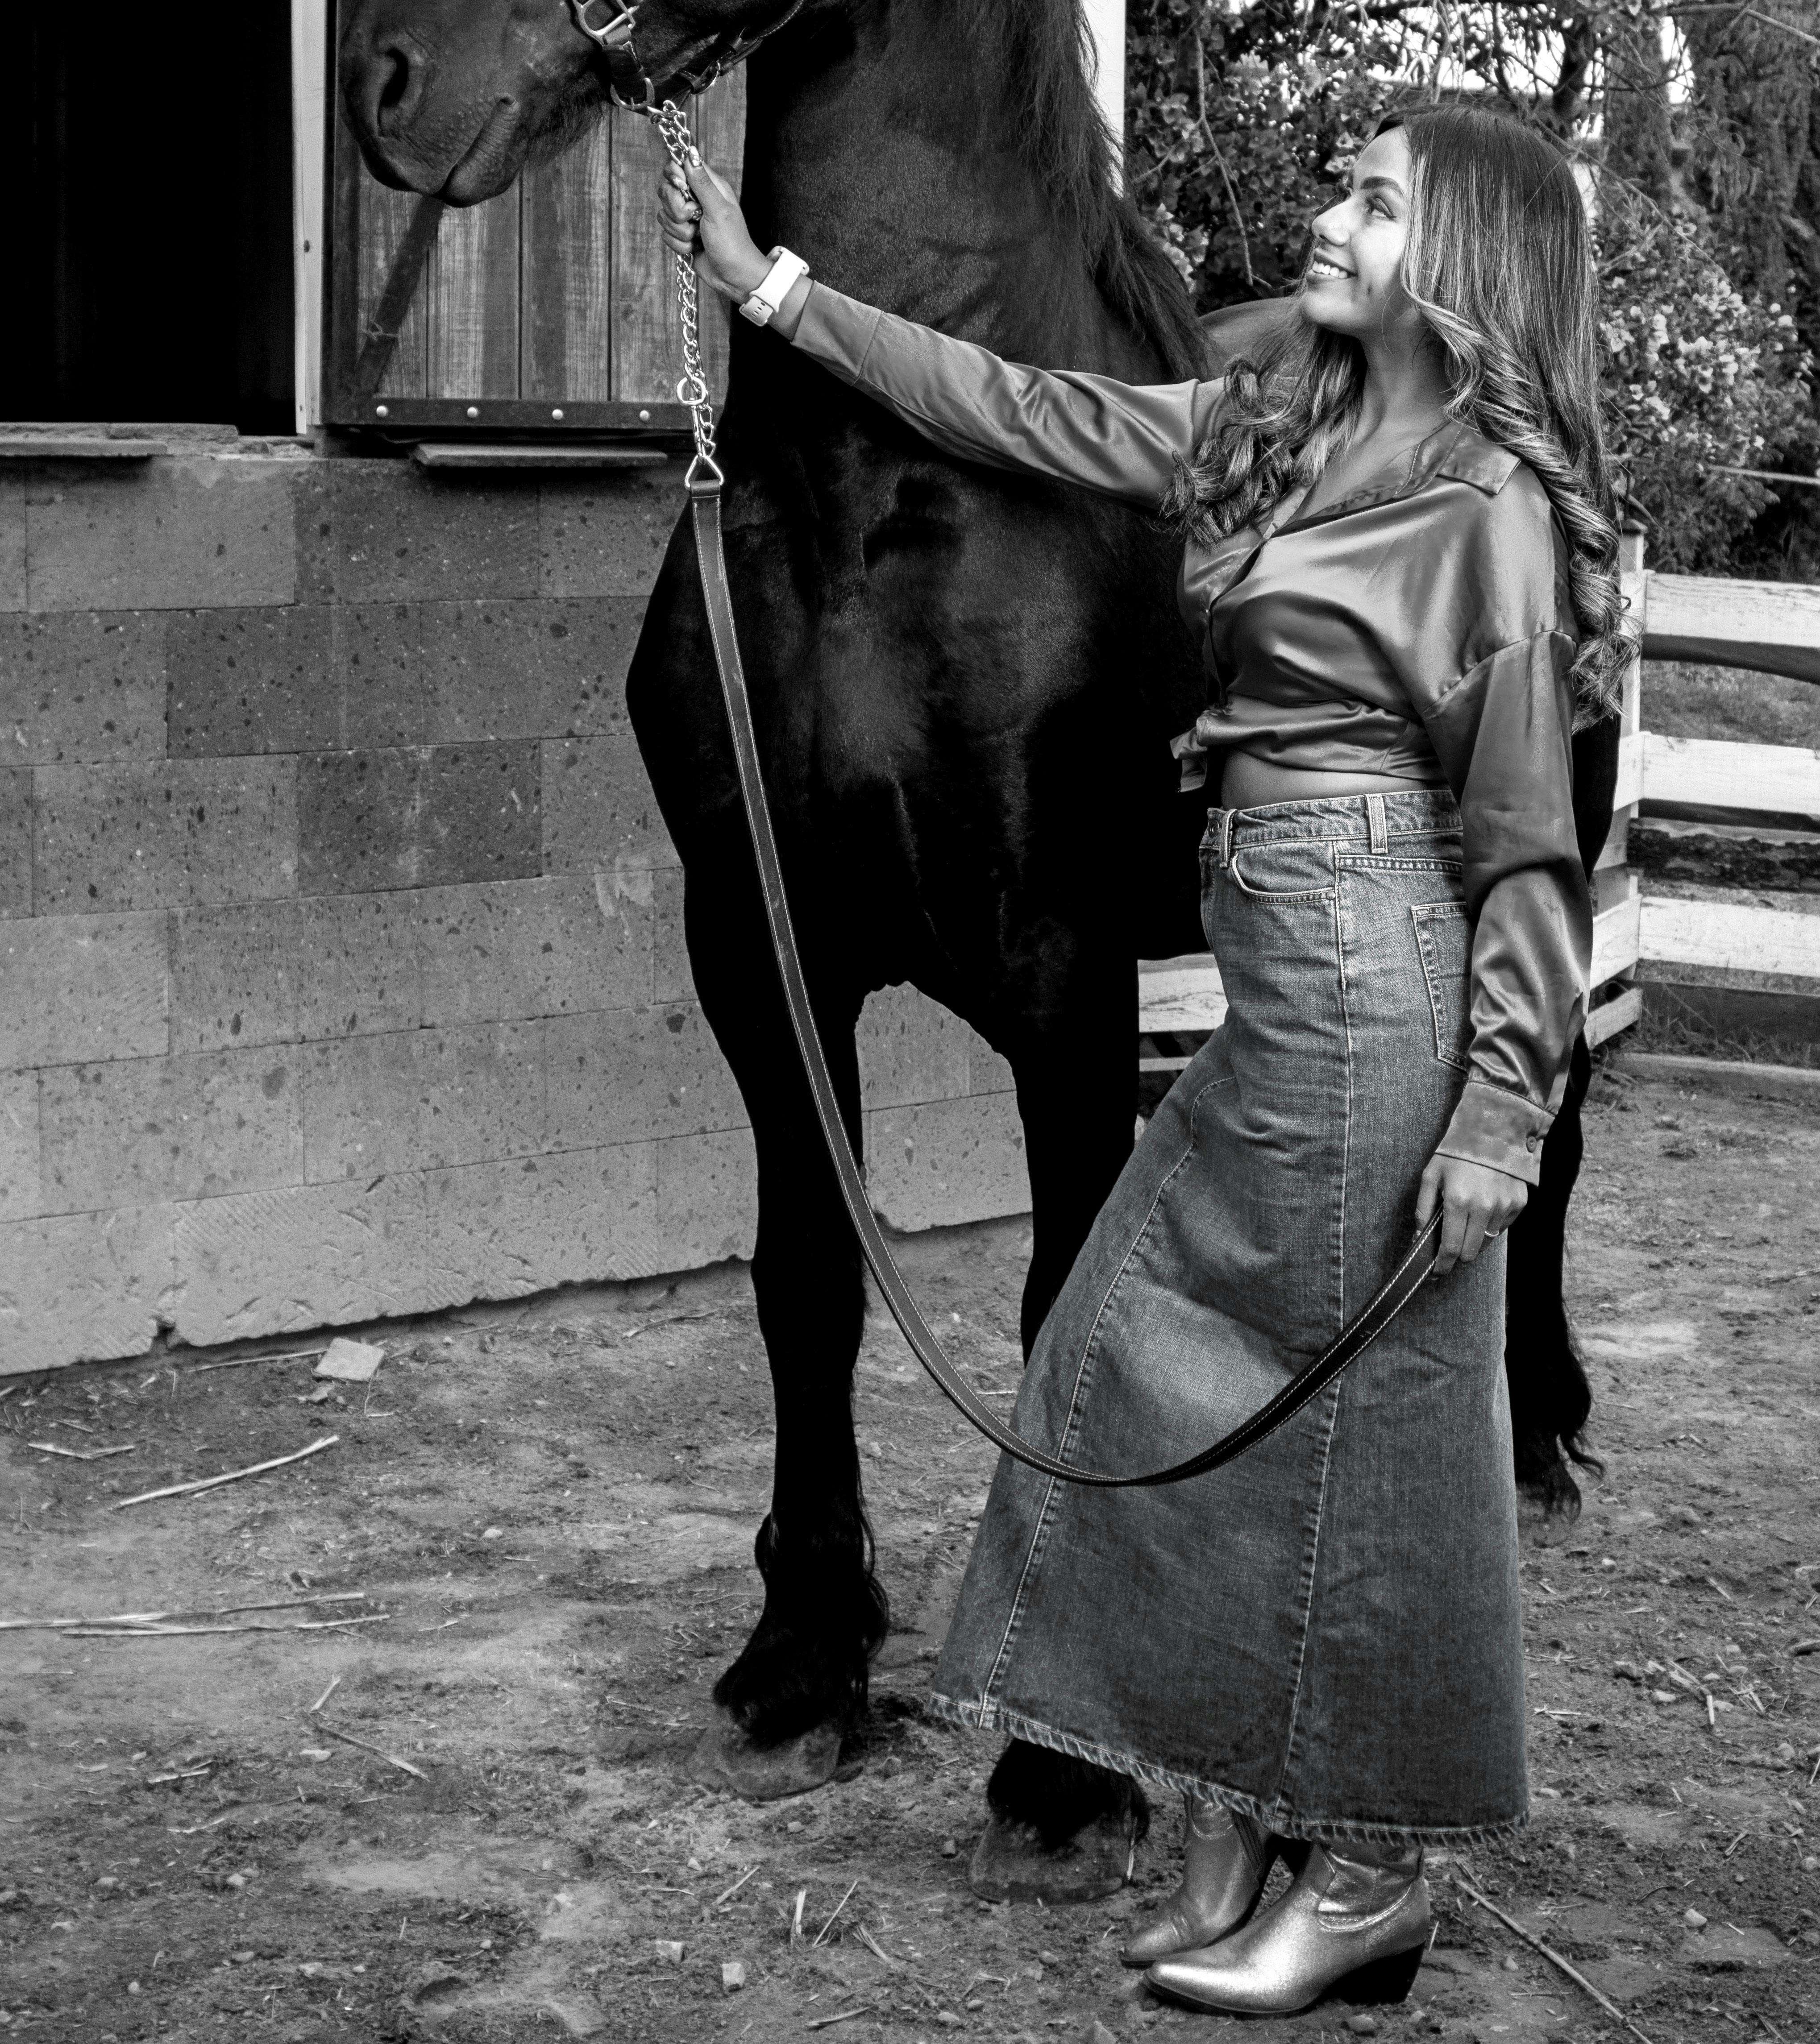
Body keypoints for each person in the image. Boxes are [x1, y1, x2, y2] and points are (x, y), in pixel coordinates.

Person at [658, 109, 1632, 2015]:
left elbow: (1527, 850)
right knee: (1147, 1374)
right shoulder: (1280, 408)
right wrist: (777, 293)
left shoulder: (1491, 511)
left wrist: (1506, 1107)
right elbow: (1035, 411)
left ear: (1468, 269)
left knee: (1369, 1433)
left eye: (1371, 199)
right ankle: (1254, 1821)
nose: (1322, 213)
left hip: (1375, 957)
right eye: (1336, 175)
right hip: (1278, 951)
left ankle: (1362, 1875)